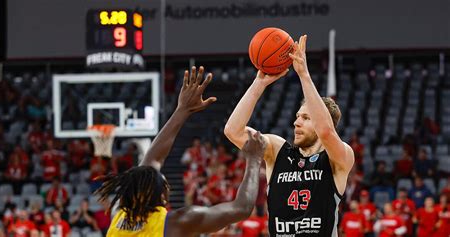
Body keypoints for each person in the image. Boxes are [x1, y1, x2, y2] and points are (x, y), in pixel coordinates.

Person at [95, 66, 266, 237]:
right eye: (166, 185)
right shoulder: (176, 223)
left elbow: (151, 161)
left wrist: (182, 110)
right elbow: (241, 208)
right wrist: (254, 159)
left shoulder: (118, 217)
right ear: (162, 196)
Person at [224, 35, 355, 236]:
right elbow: (233, 131)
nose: (296, 122)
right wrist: (259, 84)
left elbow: (326, 132)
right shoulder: (278, 151)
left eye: (305, 117)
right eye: (297, 116)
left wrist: (304, 75)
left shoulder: (339, 157)